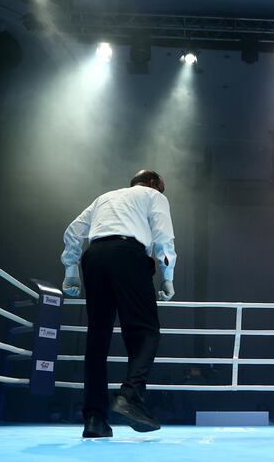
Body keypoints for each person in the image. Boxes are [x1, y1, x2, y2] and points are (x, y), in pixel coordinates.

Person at [61, 169, 176, 438]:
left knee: (97, 338)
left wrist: (70, 270)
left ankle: (94, 419)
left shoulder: (105, 197)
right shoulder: (153, 195)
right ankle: (130, 396)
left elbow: (73, 231)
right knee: (145, 331)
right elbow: (163, 236)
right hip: (128, 255)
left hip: (95, 257)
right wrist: (167, 277)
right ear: (152, 183)